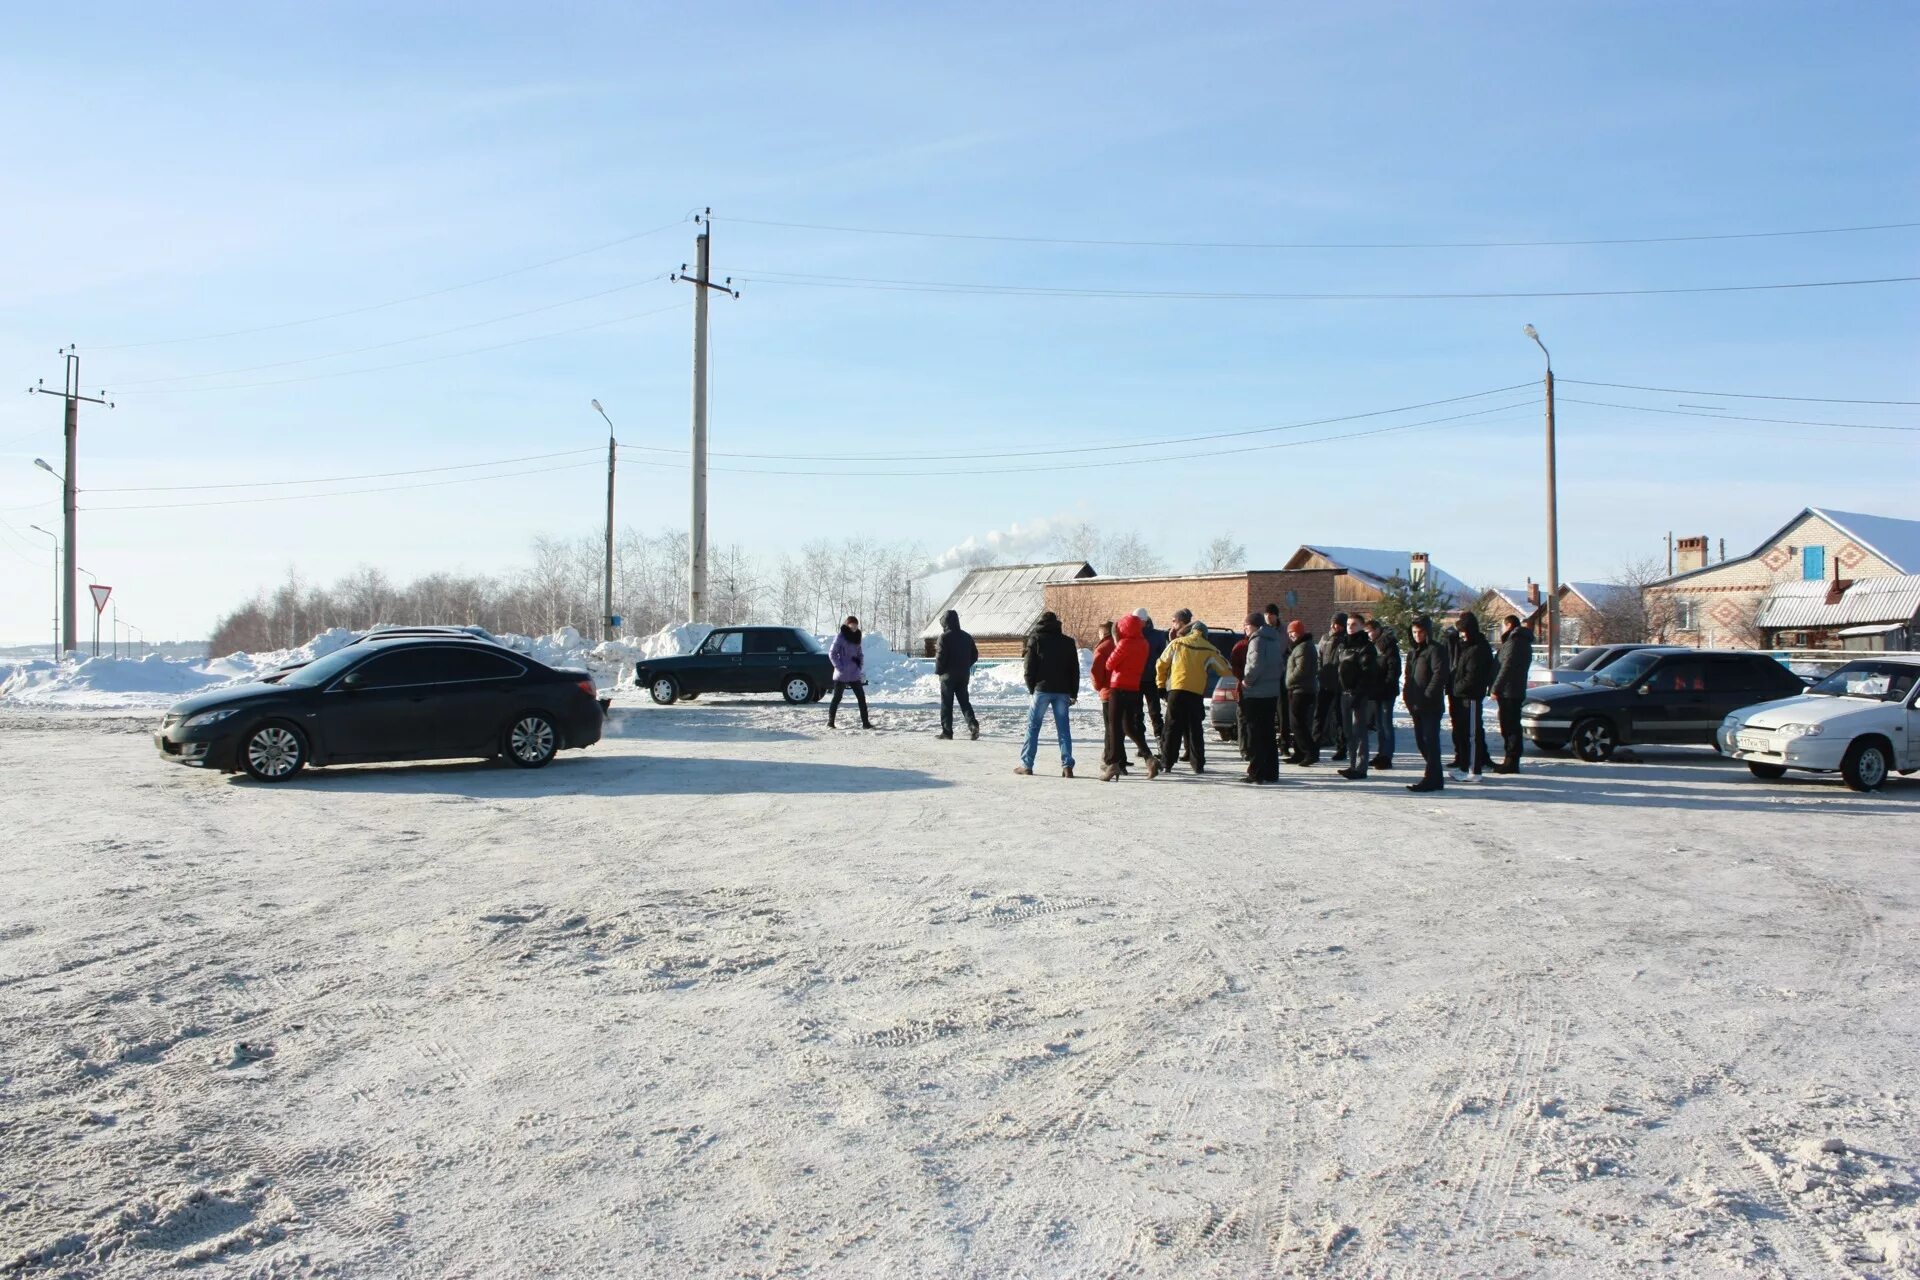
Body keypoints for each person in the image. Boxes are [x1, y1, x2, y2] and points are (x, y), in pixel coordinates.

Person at [1155, 615, 1230, 775]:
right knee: (1195, 730)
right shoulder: (1209, 649)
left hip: (1176, 691)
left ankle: (1167, 763)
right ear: (1204, 634)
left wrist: (1161, 685)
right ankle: (1198, 765)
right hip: (1195, 694)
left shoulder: (1177, 643)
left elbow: (1160, 663)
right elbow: (1225, 669)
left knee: (1171, 728)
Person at [1016, 610, 1079, 777]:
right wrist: (1074, 692)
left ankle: (1027, 764)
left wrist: (1032, 688)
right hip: (1063, 690)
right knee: (1064, 729)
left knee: (1033, 727)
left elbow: (1029, 669)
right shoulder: (1068, 642)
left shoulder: (1036, 640)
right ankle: (1067, 766)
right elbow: (1075, 670)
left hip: (1042, 689)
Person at [1100, 613, 1159, 781]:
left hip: (1118, 688)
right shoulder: (1144, 643)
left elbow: (1110, 664)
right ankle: (1149, 758)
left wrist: (1117, 642)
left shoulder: (1124, 644)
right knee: (1129, 726)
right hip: (1134, 688)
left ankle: (1113, 764)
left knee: (1114, 726)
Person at [1403, 614, 1450, 792]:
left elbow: (1440, 675)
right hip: (1415, 704)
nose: (1417, 635)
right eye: (1414, 632)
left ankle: (1432, 778)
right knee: (1421, 741)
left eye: (1420, 632)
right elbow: (1408, 677)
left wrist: (1428, 695)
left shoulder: (1436, 650)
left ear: (1427, 632)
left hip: (1430, 705)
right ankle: (1435, 775)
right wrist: (1408, 696)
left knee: (1430, 741)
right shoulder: (1413, 652)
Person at [1447, 611, 1494, 782]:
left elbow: (1473, 676)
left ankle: (1474, 770)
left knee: (1472, 734)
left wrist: (1457, 687)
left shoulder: (1479, 648)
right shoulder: (1466, 647)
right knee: (1464, 733)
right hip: (1462, 695)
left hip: (1471, 696)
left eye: (1464, 632)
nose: (1462, 635)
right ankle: (1464, 766)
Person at [1239, 611, 1283, 784]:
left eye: (1247, 625)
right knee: (1268, 733)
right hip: (1271, 692)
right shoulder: (1274, 639)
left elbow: (1255, 663)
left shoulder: (1257, 640)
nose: (1245, 629)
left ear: (1255, 626)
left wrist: (1246, 681)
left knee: (1255, 733)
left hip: (1256, 692)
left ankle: (1256, 772)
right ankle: (1271, 772)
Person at [1335, 615, 1382, 780]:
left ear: (1362, 626)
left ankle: (1360, 768)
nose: (1350, 627)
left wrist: (1358, 692)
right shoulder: (1344, 645)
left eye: (1354, 624)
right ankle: (1352, 764)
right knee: (1348, 731)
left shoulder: (1366, 647)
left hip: (1358, 695)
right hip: (1344, 692)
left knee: (1359, 731)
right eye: (1348, 624)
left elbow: (1367, 673)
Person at [1490, 614, 1534, 773]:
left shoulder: (1514, 643)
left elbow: (1506, 667)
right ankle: (1510, 759)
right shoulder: (1521, 641)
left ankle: (1511, 761)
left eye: (1503, 625)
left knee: (1510, 726)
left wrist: (1496, 688)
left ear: (1508, 625)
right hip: (1513, 689)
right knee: (1509, 725)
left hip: (1509, 691)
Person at [932, 609, 980, 741]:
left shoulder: (944, 637)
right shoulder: (966, 636)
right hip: (963, 675)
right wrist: (965, 665)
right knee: (964, 702)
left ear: (945, 623)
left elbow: (940, 657)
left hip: (948, 676)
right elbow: (975, 655)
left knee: (947, 704)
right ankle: (973, 724)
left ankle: (947, 732)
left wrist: (939, 671)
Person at [1366, 619, 1401, 769]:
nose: (1368, 634)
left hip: (1386, 691)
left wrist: (1385, 684)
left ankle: (1387, 756)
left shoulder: (1388, 646)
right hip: (1375, 691)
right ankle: (1381, 754)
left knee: (1386, 724)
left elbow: (1394, 670)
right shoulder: (1372, 646)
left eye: (1369, 631)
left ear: (1377, 630)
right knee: (1379, 725)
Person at [826, 615, 872, 729]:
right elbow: (832, 654)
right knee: (837, 697)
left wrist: (859, 665)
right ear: (848, 625)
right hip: (841, 673)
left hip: (854, 673)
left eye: (856, 626)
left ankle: (865, 723)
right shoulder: (840, 637)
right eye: (852, 625)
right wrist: (840, 667)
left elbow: (860, 653)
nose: (854, 628)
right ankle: (830, 722)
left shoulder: (857, 637)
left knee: (861, 697)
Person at [1090, 620, 1123, 773]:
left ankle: (1110, 759)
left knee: (1110, 727)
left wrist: (1098, 687)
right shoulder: (1121, 644)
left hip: (1108, 692)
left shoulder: (1102, 648)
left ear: (1103, 633)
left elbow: (1096, 672)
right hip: (1124, 690)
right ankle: (1120, 758)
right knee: (1120, 727)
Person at [1284, 621, 1319, 765]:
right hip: (1298, 689)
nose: (1292, 635)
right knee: (1297, 723)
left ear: (1301, 632)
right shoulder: (1299, 646)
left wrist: (1289, 681)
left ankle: (1311, 752)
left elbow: (1301, 670)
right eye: (1290, 633)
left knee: (1298, 724)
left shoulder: (1304, 647)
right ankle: (1299, 752)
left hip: (1302, 690)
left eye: (1294, 632)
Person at [1135, 608, 1169, 752]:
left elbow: (1163, 657)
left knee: (1145, 713)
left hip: (1143, 678)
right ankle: (1151, 744)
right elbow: (1163, 657)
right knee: (1150, 713)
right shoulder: (1157, 635)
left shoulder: (1135, 635)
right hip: (1147, 678)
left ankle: (1150, 743)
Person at [1316, 612, 1348, 760]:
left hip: (1340, 684)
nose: (1336, 626)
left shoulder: (1346, 640)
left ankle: (1342, 748)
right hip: (1325, 682)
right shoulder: (1325, 638)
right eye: (1334, 623)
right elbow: (1319, 657)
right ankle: (1314, 746)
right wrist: (1319, 672)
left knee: (1340, 717)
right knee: (1319, 716)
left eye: (1339, 624)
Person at [1264, 602, 1291, 758]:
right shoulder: (1262, 630)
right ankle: (1269, 743)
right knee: (1268, 710)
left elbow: (1289, 650)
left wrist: (1284, 663)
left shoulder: (1284, 631)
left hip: (1281, 674)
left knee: (1283, 712)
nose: (1268, 617)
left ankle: (1284, 744)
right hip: (1266, 676)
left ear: (1276, 615)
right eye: (1266, 614)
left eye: (1271, 615)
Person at [1229, 626, 1251, 762]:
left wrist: (1241, 678)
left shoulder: (1241, 645)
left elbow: (1233, 666)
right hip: (1245, 688)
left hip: (1243, 687)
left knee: (1243, 720)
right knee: (1245, 719)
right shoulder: (1242, 646)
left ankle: (1245, 749)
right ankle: (1246, 749)